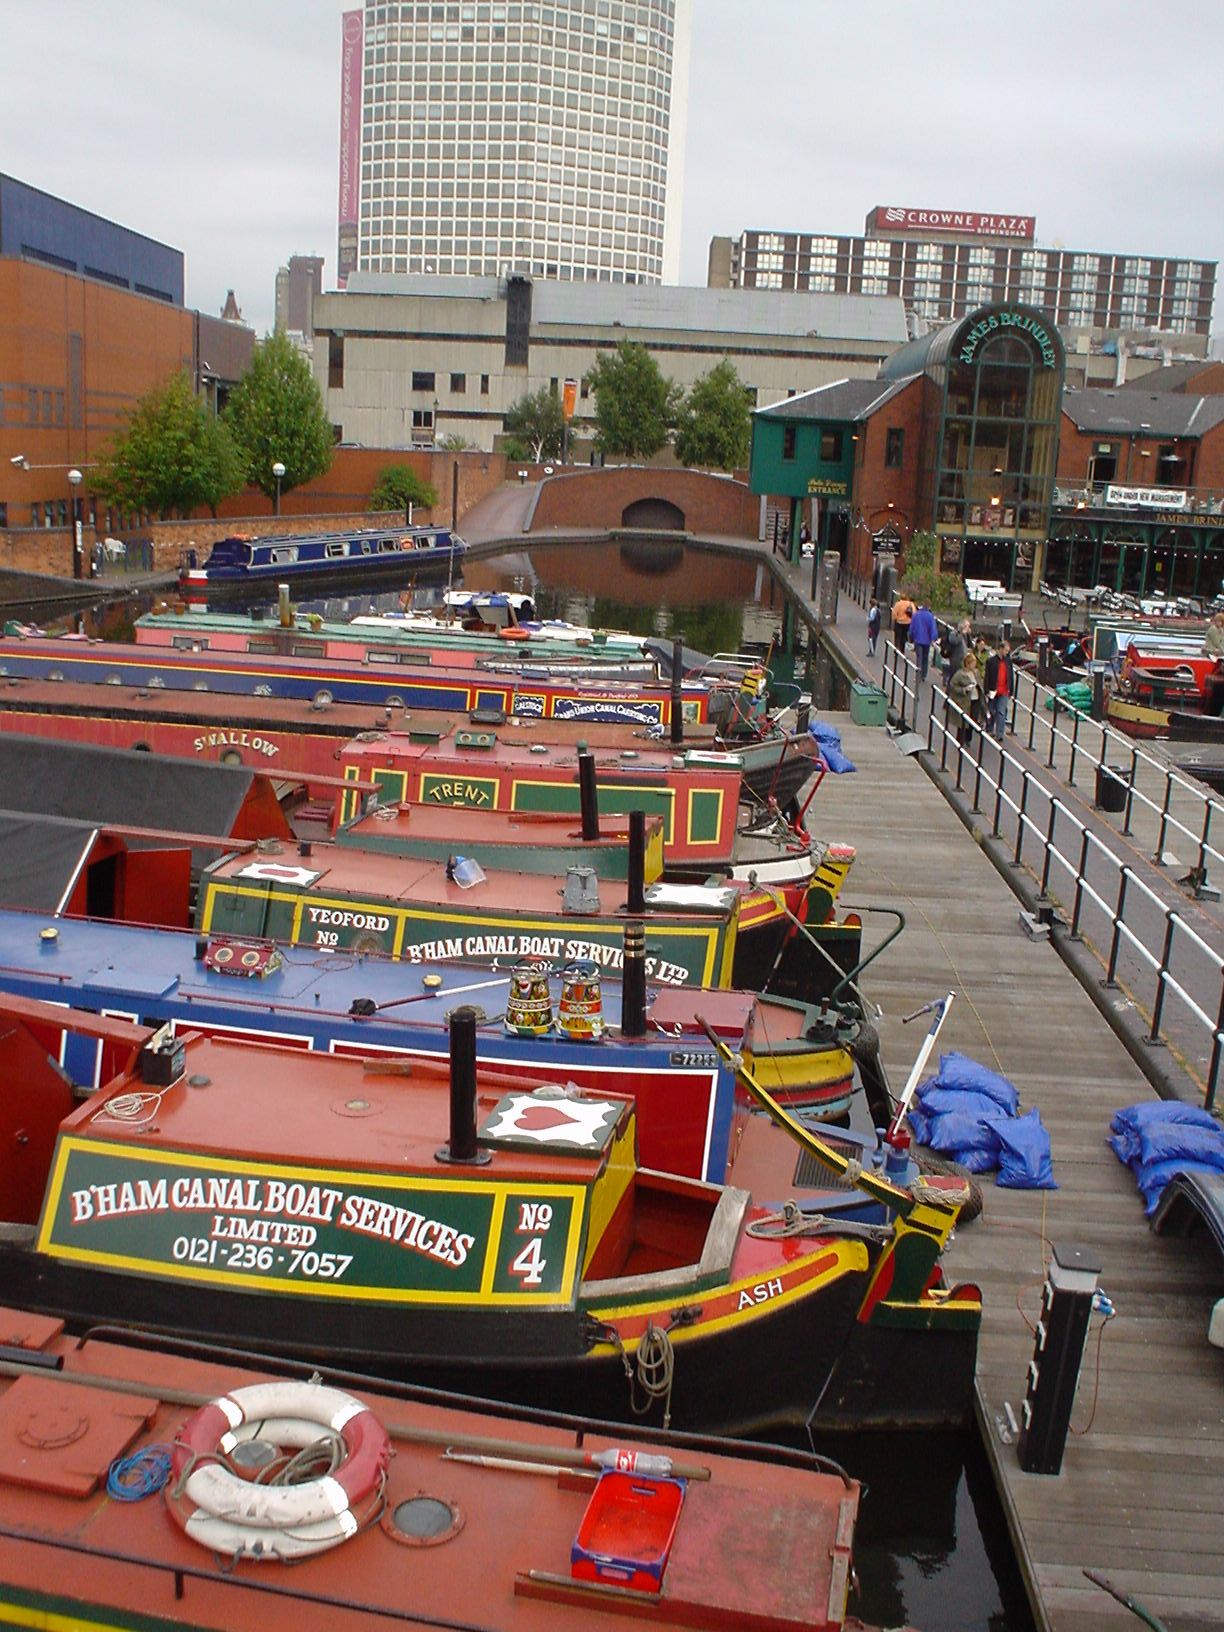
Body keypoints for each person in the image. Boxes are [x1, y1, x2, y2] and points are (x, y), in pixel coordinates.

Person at [983, 637, 1016, 741]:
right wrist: (986, 690)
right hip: (993, 689)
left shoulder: (1008, 661)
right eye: (1006, 650)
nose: (1007, 653)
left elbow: (1010, 676)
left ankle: (1000, 734)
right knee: (992, 710)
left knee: (1001, 711)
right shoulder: (991, 661)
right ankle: (990, 728)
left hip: (1004, 690)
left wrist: (1011, 689)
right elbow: (987, 676)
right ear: (1000, 649)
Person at [948, 652, 983, 745]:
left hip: (975, 699)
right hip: (964, 701)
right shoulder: (959, 674)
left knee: (973, 719)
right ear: (968, 663)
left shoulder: (976, 672)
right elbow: (952, 686)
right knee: (963, 721)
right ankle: (960, 739)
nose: (974, 665)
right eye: (973, 663)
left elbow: (980, 684)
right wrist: (964, 689)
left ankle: (968, 738)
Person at [909, 601, 938, 680]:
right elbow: (933, 629)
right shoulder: (930, 616)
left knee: (919, 657)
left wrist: (911, 636)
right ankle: (924, 675)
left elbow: (912, 627)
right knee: (925, 658)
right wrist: (933, 638)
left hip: (918, 640)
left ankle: (918, 673)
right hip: (927, 641)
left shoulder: (916, 615)